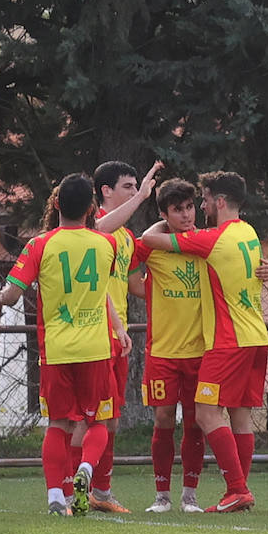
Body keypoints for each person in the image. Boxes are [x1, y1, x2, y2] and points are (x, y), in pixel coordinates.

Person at [140, 171, 268, 513]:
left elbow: (148, 238)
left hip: (226, 341)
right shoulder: (248, 233)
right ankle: (239, 490)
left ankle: (236, 489)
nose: (195, 210)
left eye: (199, 202)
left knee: (205, 415)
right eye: (182, 207)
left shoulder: (211, 239)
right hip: (256, 336)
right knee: (240, 417)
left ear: (218, 202)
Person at [0, 173, 130, 517]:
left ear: (56, 204)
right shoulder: (108, 245)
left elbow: (11, 295)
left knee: (58, 424)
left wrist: (5, 293)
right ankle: (87, 467)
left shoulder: (40, 245)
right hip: (96, 349)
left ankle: (57, 495)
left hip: (56, 351)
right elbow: (101, 291)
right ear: (91, 208)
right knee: (99, 421)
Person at [82, 159, 160, 513]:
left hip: (119, 335)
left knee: (111, 418)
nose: (135, 192)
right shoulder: (90, 228)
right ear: (106, 191)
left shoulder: (126, 237)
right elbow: (98, 226)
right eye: (127, 187)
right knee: (87, 417)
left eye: (136, 187)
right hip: (91, 334)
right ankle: (69, 489)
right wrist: (142, 197)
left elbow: (134, 285)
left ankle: (100, 490)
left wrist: (184, 290)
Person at [130, 179, 207, 513]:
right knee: (163, 419)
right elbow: (131, 265)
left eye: (190, 207)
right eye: (177, 210)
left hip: (200, 351)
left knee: (195, 422)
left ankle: (190, 496)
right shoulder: (155, 246)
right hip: (162, 351)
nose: (187, 215)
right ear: (164, 214)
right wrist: (156, 296)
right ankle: (162, 495)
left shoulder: (206, 242)